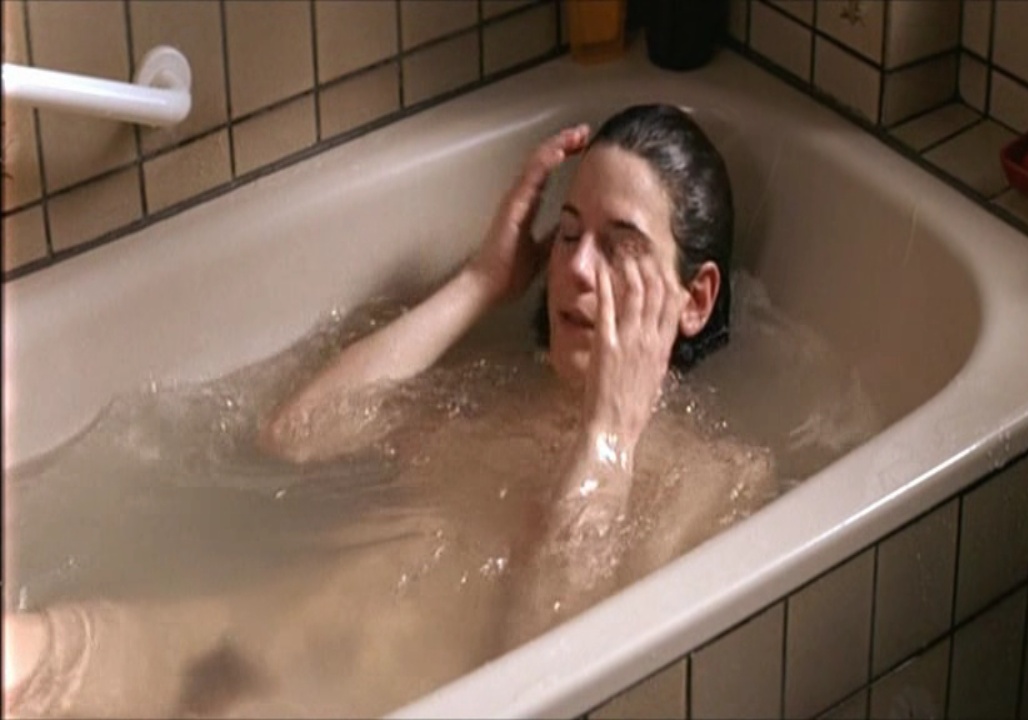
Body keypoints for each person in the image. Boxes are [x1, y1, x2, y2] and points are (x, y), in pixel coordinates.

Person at [2, 104, 776, 718]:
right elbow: (294, 437)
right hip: (228, 653)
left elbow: (545, 665)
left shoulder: (713, 479)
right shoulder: (493, 396)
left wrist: (610, 436)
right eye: (569, 233)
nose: (574, 266)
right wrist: (479, 283)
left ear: (695, 298)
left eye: (619, 247)